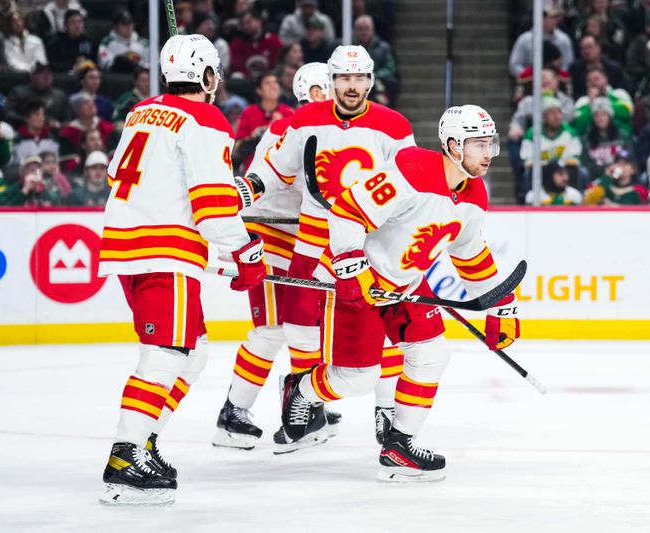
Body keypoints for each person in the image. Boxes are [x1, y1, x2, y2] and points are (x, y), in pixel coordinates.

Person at [278, 105, 519, 481]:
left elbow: (470, 255)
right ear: (454, 145)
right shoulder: (412, 169)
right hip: (356, 283)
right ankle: (302, 389)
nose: (489, 153)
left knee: (433, 352)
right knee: (358, 378)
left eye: (491, 143)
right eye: (479, 144)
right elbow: (346, 212)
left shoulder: (475, 195)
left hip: (403, 286)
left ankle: (399, 446)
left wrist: (502, 307)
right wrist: (352, 268)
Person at [97, 34, 266, 506]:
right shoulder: (206, 118)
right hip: (164, 252)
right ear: (209, 77)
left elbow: (121, 175)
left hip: (130, 246)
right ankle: (126, 456)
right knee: (168, 353)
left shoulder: (141, 110)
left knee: (192, 354)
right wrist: (245, 251)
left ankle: (143, 439)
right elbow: (211, 210)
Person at [246, 45, 416, 451]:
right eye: (344, 79)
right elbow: (275, 169)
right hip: (312, 240)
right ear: (332, 81)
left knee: (385, 331)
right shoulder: (305, 120)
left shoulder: (393, 126)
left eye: (359, 79)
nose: (352, 87)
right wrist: (246, 189)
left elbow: (410, 182)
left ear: (370, 81)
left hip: (365, 246)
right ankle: (308, 407)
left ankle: (387, 411)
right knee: (299, 329)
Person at [213, 62, 335, 450]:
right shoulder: (289, 128)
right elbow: (269, 182)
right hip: (268, 235)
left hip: (300, 241)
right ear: (315, 92)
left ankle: (305, 406)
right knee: (272, 330)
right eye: (330, 87)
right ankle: (234, 413)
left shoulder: (325, 127)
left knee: (306, 326)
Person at [233, 72, 294, 173]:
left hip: (281, 172)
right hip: (253, 171)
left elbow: (293, 146)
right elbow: (239, 148)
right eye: (267, 83)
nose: (273, 86)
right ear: (259, 90)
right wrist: (261, 133)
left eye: (275, 82)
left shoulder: (288, 113)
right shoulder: (249, 112)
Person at [509, 7, 573, 77]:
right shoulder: (524, 40)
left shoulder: (563, 39)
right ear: (541, 19)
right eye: (552, 18)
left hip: (556, 81)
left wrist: (554, 77)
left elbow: (568, 64)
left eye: (556, 18)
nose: (555, 21)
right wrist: (530, 75)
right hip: (530, 81)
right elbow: (514, 65)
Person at [580, 97, 633, 182]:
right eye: (596, 115)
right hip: (595, 178)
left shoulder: (623, 137)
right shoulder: (587, 139)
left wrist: (616, 169)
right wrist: (605, 170)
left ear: (610, 116)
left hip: (620, 176)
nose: (600, 118)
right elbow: (586, 164)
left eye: (603, 114)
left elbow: (630, 160)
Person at [4, 62, 70, 129]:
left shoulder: (60, 95)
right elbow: (8, 113)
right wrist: (28, 120)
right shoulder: (18, 92)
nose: (46, 76)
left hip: (54, 132)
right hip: (25, 130)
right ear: (32, 76)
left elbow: (69, 118)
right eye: (42, 74)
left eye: (49, 73)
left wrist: (60, 125)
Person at [353, 14, 398, 107]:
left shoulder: (383, 48)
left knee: (391, 82)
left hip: (376, 80)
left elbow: (389, 68)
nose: (363, 32)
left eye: (366, 29)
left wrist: (374, 75)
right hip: (354, 80)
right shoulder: (348, 47)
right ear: (355, 31)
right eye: (360, 29)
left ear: (372, 30)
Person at [229, 9, 282, 80]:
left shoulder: (273, 41)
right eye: (243, 24)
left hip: (269, 78)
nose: (245, 26)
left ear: (259, 21)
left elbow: (278, 63)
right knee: (236, 76)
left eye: (248, 22)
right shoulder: (237, 44)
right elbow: (236, 66)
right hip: (247, 81)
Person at [45, 9, 96, 73]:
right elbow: (52, 64)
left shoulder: (89, 41)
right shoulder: (56, 42)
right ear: (65, 25)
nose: (77, 26)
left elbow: (95, 62)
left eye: (80, 22)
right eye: (73, 22)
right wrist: (72, 65)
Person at [12, 99, 60, 165]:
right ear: (27, 118)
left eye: (43, 115)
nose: (42, 118)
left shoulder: (52, 139)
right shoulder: (16, 140)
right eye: (37, 115)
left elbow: (56, 162)